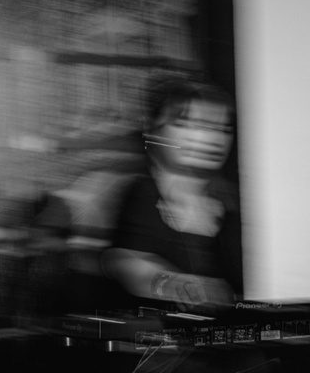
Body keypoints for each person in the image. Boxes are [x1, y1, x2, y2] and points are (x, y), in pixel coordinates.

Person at [102, 77, 243, 314]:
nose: (209, 138)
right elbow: (125, 264)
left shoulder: (232, 204)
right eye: (187, 124)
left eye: (222, 128)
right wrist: (180, 287)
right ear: (152, 128)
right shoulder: (140, 193)